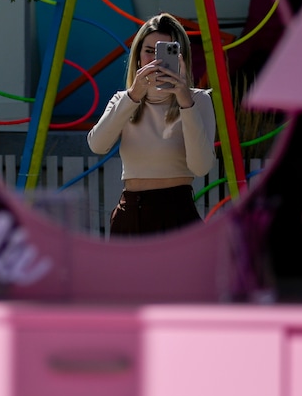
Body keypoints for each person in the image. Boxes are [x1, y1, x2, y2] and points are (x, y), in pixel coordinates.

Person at [87, 12, 217, 236]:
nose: (156, 60)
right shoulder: (124, 100)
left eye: (168, 52)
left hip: (178, 211)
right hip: (131, 212)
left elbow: (201, 167)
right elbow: (97, 145)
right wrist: (133, 96)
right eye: (149, 51)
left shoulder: (198, 100)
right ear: (137, 56)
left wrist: (186, 103)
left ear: (182, 57)